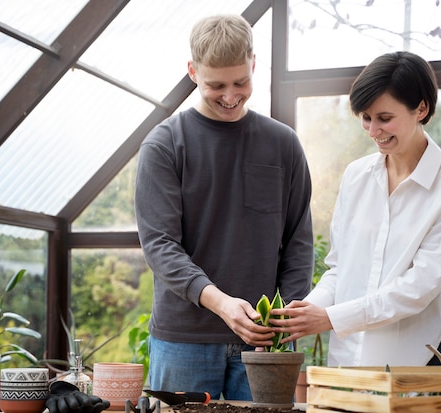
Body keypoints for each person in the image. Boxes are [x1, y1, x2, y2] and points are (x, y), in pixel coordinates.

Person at [134, 14, 313, 400]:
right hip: (184, 340)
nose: (230, 96)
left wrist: (281, 327)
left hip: (264, 347)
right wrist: (222, 304)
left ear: (254, 63)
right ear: (192, 71)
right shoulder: (164, 145)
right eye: (216, 85)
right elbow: (161, 246)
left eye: (240, 82)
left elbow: (298, 241)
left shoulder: (283, 144)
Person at [272, 51, 441, 367]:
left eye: (384, 118)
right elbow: (340, 269)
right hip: (352, 358)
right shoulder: (356, 176)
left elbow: (418, 288)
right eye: (366, 118)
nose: (372, 131)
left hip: (425, 360)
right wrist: (299, 315)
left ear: (421, 108)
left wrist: (329, 318)